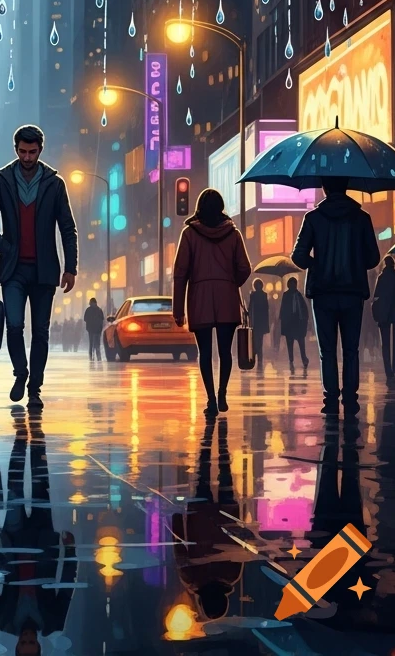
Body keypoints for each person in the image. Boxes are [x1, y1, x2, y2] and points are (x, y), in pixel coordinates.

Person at [0, 124, 78, 408]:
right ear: (16, 149)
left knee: (41, 332)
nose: (27, 157)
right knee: (14, 326)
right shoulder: (2, 181)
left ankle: (35, 388)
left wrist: (70, 268)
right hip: (13, 270)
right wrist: (4, 245)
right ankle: (20, 374)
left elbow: (67, 228)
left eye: (32, 152)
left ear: (40, 150)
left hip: (45, 271)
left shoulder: (54, 184)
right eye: (22, 151)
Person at [0, 407, 77, 653]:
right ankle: (38, 439)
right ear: (39, 645)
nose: (27, 637)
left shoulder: (1, 620)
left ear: (16, 645)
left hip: (13, 542)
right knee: (40, 483)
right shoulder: (53, 622)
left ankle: (21, 440)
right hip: (43, 542)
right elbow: (67, 585)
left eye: (23, 642)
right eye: (31, 642)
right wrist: (71, 551)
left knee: (14, 487)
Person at [292, 178, 380, 417]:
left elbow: (298, 256)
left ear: (325, 188)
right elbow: (373, 258)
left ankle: (331, 399)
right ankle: (350, 400)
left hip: (323, 293)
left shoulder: (313, 219)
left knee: (327, 350)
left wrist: (317, 265)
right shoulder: (362, 219)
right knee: (351, 349)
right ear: (347, 186)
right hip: (353, 292)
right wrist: (354, 260)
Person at [172, 188, 251, 416]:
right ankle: (223, 393)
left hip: (200, 298)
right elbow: (244, 267)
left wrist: (178, 310)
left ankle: (211, 400)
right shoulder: (233, 234)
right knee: (225, 352)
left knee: (205, 352)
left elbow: (180, 273)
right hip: (226, 297)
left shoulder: (189, 234)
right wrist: (231, 282)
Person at [172, 416, 243, 622]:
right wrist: (177, 519)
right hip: (199, 517)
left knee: (225, 474)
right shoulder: (191, 579)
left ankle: (221, 440)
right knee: (202, 473)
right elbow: (179, 548)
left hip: (227, 516)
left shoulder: (232, 576)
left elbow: (240, 545)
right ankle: (207, 439)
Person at [372, 256, 395, 381]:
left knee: (385, 344)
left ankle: (388, 370)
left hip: (383, 314)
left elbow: (376, 296)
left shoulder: (381, 277)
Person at [279, 276, 310, 373]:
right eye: (291, 284)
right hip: (289, 322)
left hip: (298, 322)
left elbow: (304, 308)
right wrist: (282, 321)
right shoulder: (286, 295)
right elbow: (283, 308)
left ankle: (304, 358)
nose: (292, 286)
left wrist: (305, 320)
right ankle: (291, 359)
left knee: (301, 342)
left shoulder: (299, 295)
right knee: (290, 342)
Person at [248, 279, 270, 370]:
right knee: (258, 340)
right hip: (260, 320)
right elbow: (266, 308)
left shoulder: (253, 295)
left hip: (257, 320)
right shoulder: (263, 295)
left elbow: (250, 307)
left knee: (256, 340)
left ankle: (257, 355)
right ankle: (259, 356)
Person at [83, 298, 105, 363]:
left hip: (91, 329)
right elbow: (102, 319)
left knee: (91, 343)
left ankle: (91, 356)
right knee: (97, 344)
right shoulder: (99, 310)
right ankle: (98, 357)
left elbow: (85, 319)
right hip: (97, 329)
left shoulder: (88, 310)